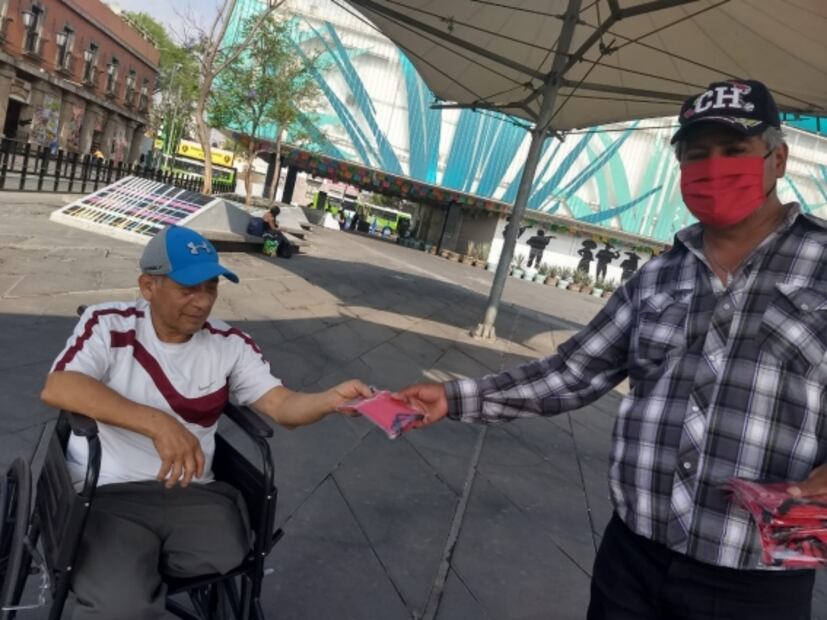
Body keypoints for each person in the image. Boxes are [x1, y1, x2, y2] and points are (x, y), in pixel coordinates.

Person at [397, 79, 827, 620]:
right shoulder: (657, 276)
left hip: (756, 578)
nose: (715, 167)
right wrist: (455, 397)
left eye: (734, 149)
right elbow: (573, 371)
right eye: (697, 154)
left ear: (777, 159)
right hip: (632, 559)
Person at [41, 225, 371, 619]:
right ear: (148, 286)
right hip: (108, 493)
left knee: (231, 548)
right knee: (122, 606)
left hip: (191, 494)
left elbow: (283, 405)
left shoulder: (229, 344)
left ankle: (132, 565)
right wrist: (159, 424)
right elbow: (60, 386)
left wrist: (330, 401)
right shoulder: (109, 325)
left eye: (211, 288)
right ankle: (126, 575)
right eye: (188, 289)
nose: (203, 302)